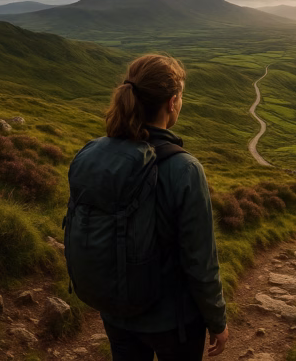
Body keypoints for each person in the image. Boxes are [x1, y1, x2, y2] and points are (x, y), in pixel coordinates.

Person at [67, 54, 228, 360]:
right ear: (172, 102)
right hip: (173, 321)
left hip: (116, 310)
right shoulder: (185, 169)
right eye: (180, 96)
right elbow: (201, 262)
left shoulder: (94, 151)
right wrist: (218, 321)